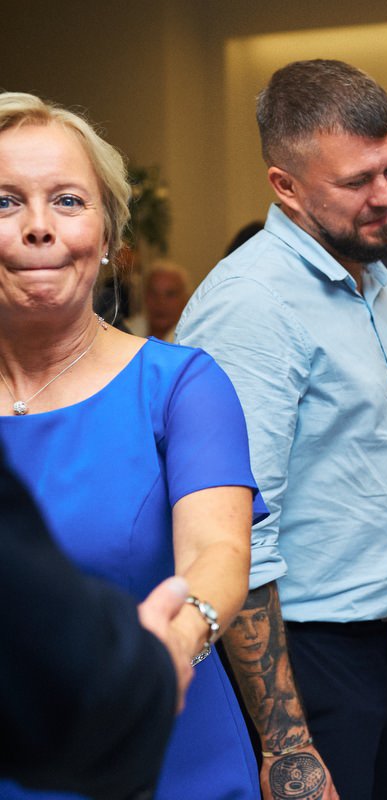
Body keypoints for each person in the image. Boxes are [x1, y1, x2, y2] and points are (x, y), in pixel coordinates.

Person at [176, 59, 387, 800]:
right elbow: (239, 534)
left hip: (376, 640)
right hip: (299, 656)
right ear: (284, 185)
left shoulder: (376, 279)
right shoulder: (251, 306)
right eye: (357, 181)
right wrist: (287, 741)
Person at [0, 92, 263, 797]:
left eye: (67, 201)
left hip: (165, 745)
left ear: (109, 237)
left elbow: (220, 552)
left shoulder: (180, 386)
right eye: (5, 201)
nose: (36, 227)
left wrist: (177, 642)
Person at [1, 438, 195, 800]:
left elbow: (219, 549)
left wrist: (181, 639)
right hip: (100, 701)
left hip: (171, 730)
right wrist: (153, 666)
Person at [125, 259, 191, 342]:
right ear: (144, 297)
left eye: (170, 294)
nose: (160, 302)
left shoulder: (194, 341)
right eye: (153, 293)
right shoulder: (123, 332)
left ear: (185, 300)